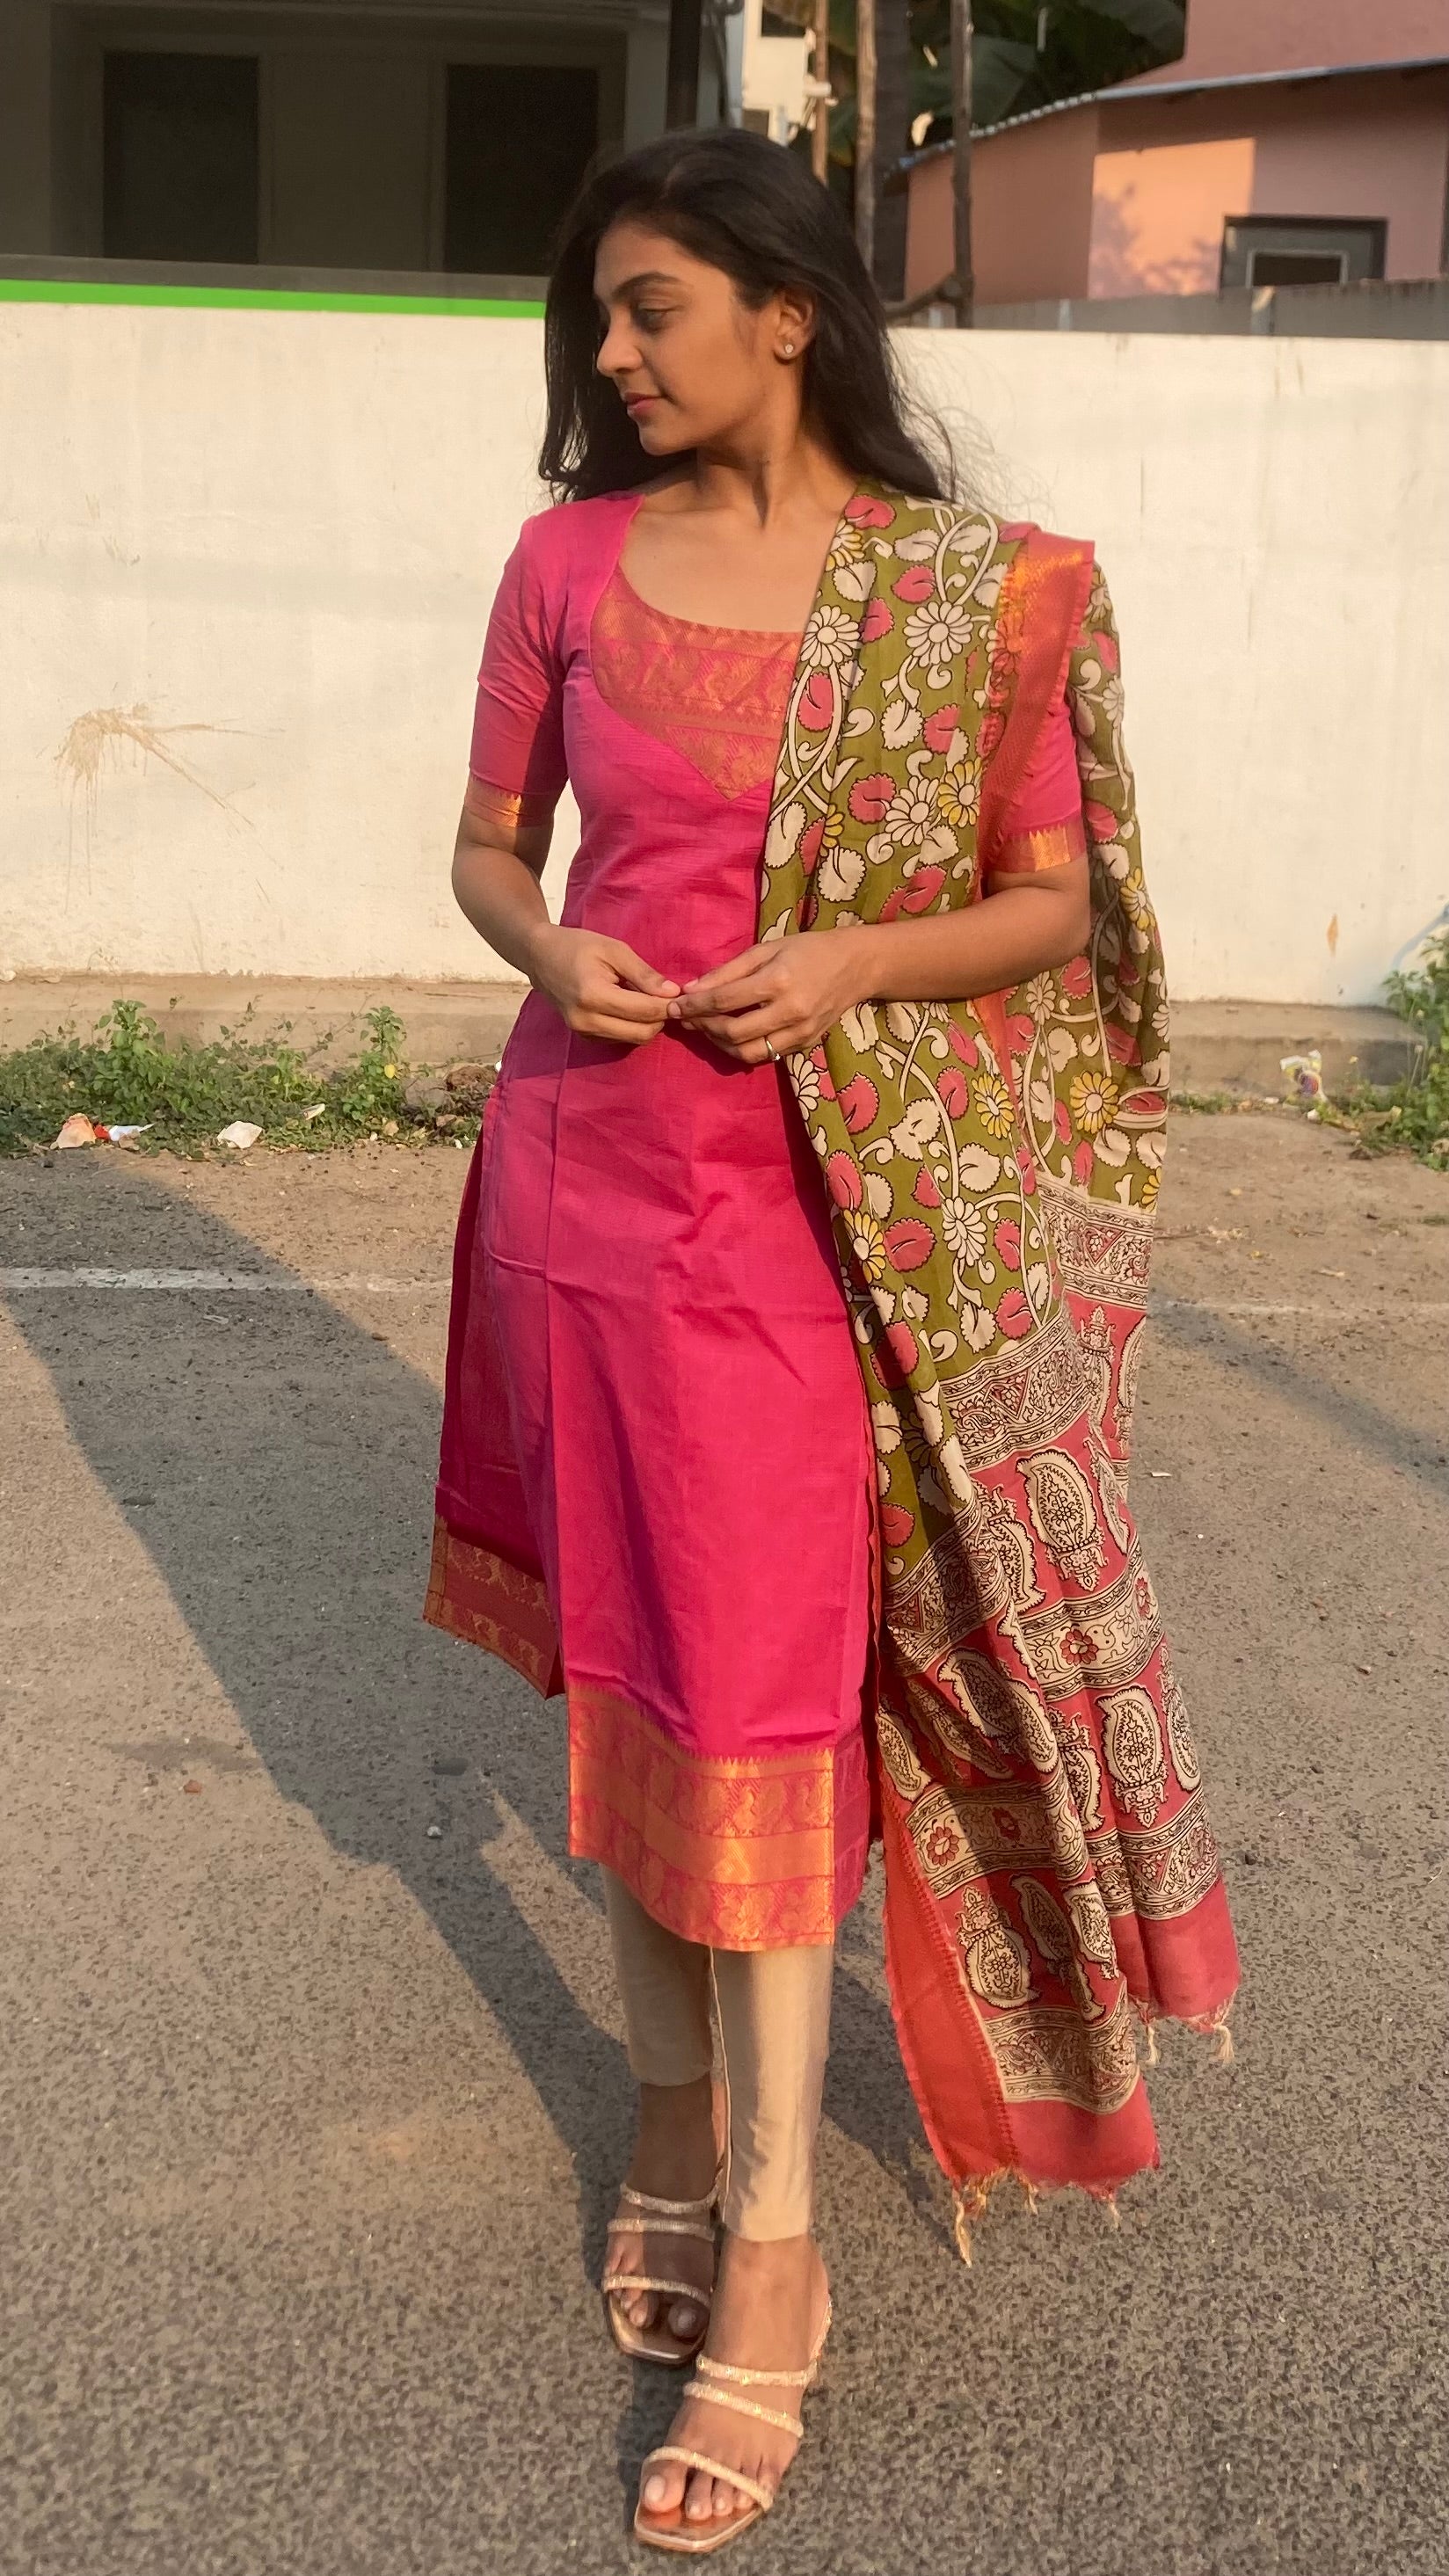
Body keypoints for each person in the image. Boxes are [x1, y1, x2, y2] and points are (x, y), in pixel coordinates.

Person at [426, 127, 1239, 2557]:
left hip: (814, 1227)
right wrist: (540, 946)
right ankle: (669, 2114)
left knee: (768, 1708)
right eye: (599, 314)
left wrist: (855, 967)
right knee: (639, 1678)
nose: (608, 354)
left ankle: (770, 2245)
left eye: (648, 307)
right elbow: (485, 842)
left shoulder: (975, 600)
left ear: (789, 309)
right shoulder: (566, 562)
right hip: (580, 1198)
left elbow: (1049, 904)